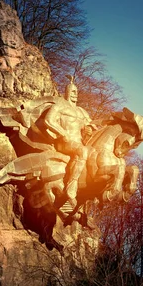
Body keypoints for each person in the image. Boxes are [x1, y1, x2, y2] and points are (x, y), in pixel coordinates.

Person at [42, 79, 95, 208]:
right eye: (72, 91)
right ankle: (72, 187)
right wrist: (62, 133)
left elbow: (91, 126)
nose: (75, 94)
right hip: (64, 142)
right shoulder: (60, 105)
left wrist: (90, 129)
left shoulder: (82, 111)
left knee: (95, 153)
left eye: (76, 91)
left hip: (79, 142)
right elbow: (48, 120)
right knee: (82, 151)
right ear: (66, 92)